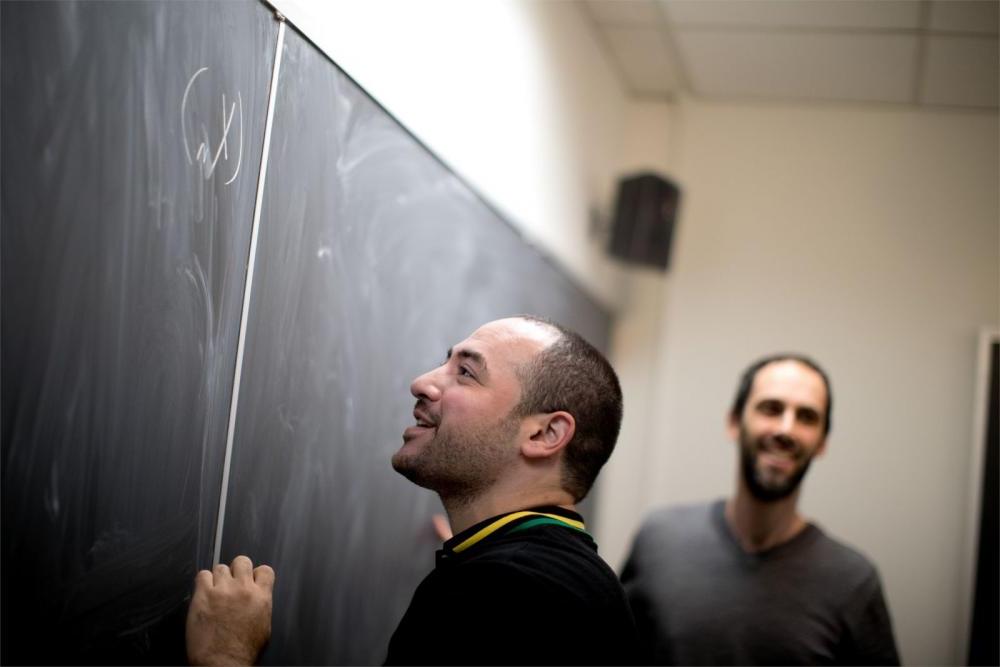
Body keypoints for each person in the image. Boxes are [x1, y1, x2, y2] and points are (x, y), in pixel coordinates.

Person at [186, 316, 639, 665]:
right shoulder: (553, 578)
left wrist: (225, 657)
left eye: (466, 373)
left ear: (544, 435)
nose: (422, 382)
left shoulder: (512, 594)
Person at [620, 354, 900, 665]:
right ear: (734, 422)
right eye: (771, 409)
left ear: (822, 442)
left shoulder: (853, 582)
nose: (786, 429)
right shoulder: (659, 540)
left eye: (807, 417)